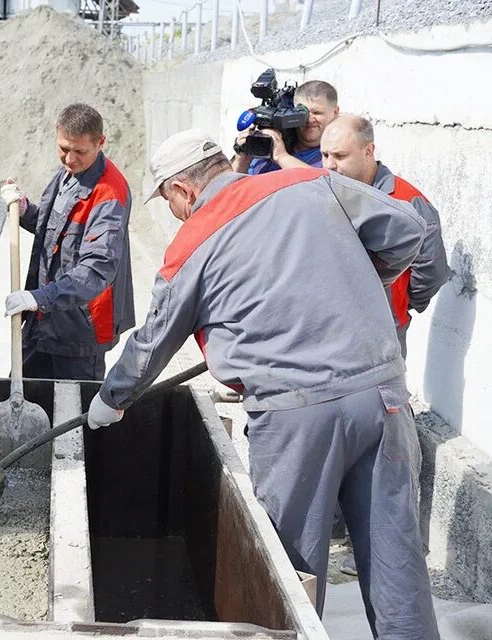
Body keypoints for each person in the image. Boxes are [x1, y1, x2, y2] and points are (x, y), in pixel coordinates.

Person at [87, 128, 439, 638]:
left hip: (297, 416)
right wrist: (351, 284)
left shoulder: (193, 243)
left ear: (183, 190)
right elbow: (408, 229)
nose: (174, 215)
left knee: (289, 580)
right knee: (397, 568)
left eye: (168, 202)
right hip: (382, 397)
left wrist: (111, 398)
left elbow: (152, 341)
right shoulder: (311, 184)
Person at [0, 103, 134, 381]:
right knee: (20, 396)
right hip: (45, 322)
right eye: (63, 148)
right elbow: (54, 230)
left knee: (72, 415)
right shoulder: (68, 174)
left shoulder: (109, 194)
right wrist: (25, 210)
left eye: (80, 152)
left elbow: (96, 270)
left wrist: (39, 298)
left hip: (79, 332)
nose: (70, 159)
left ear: (100, 143)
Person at [322, 114, 450, 357]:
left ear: (368, 150)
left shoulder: (406, 200)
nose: (329, 165)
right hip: (332, 326)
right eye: (325, 155)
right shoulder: (324, 192)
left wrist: (400, 302)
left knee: (384, 395)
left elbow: (432, 270)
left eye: (340, 156)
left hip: (383, 331)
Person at [232, 79, 339, 174]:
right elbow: (229, 191)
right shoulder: (268, 143)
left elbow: (321, 187)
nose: (309, 120)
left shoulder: (336, 155)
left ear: (335, 112)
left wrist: (282, 157)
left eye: (317, 113)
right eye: (302, 113)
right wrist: (241, 160)